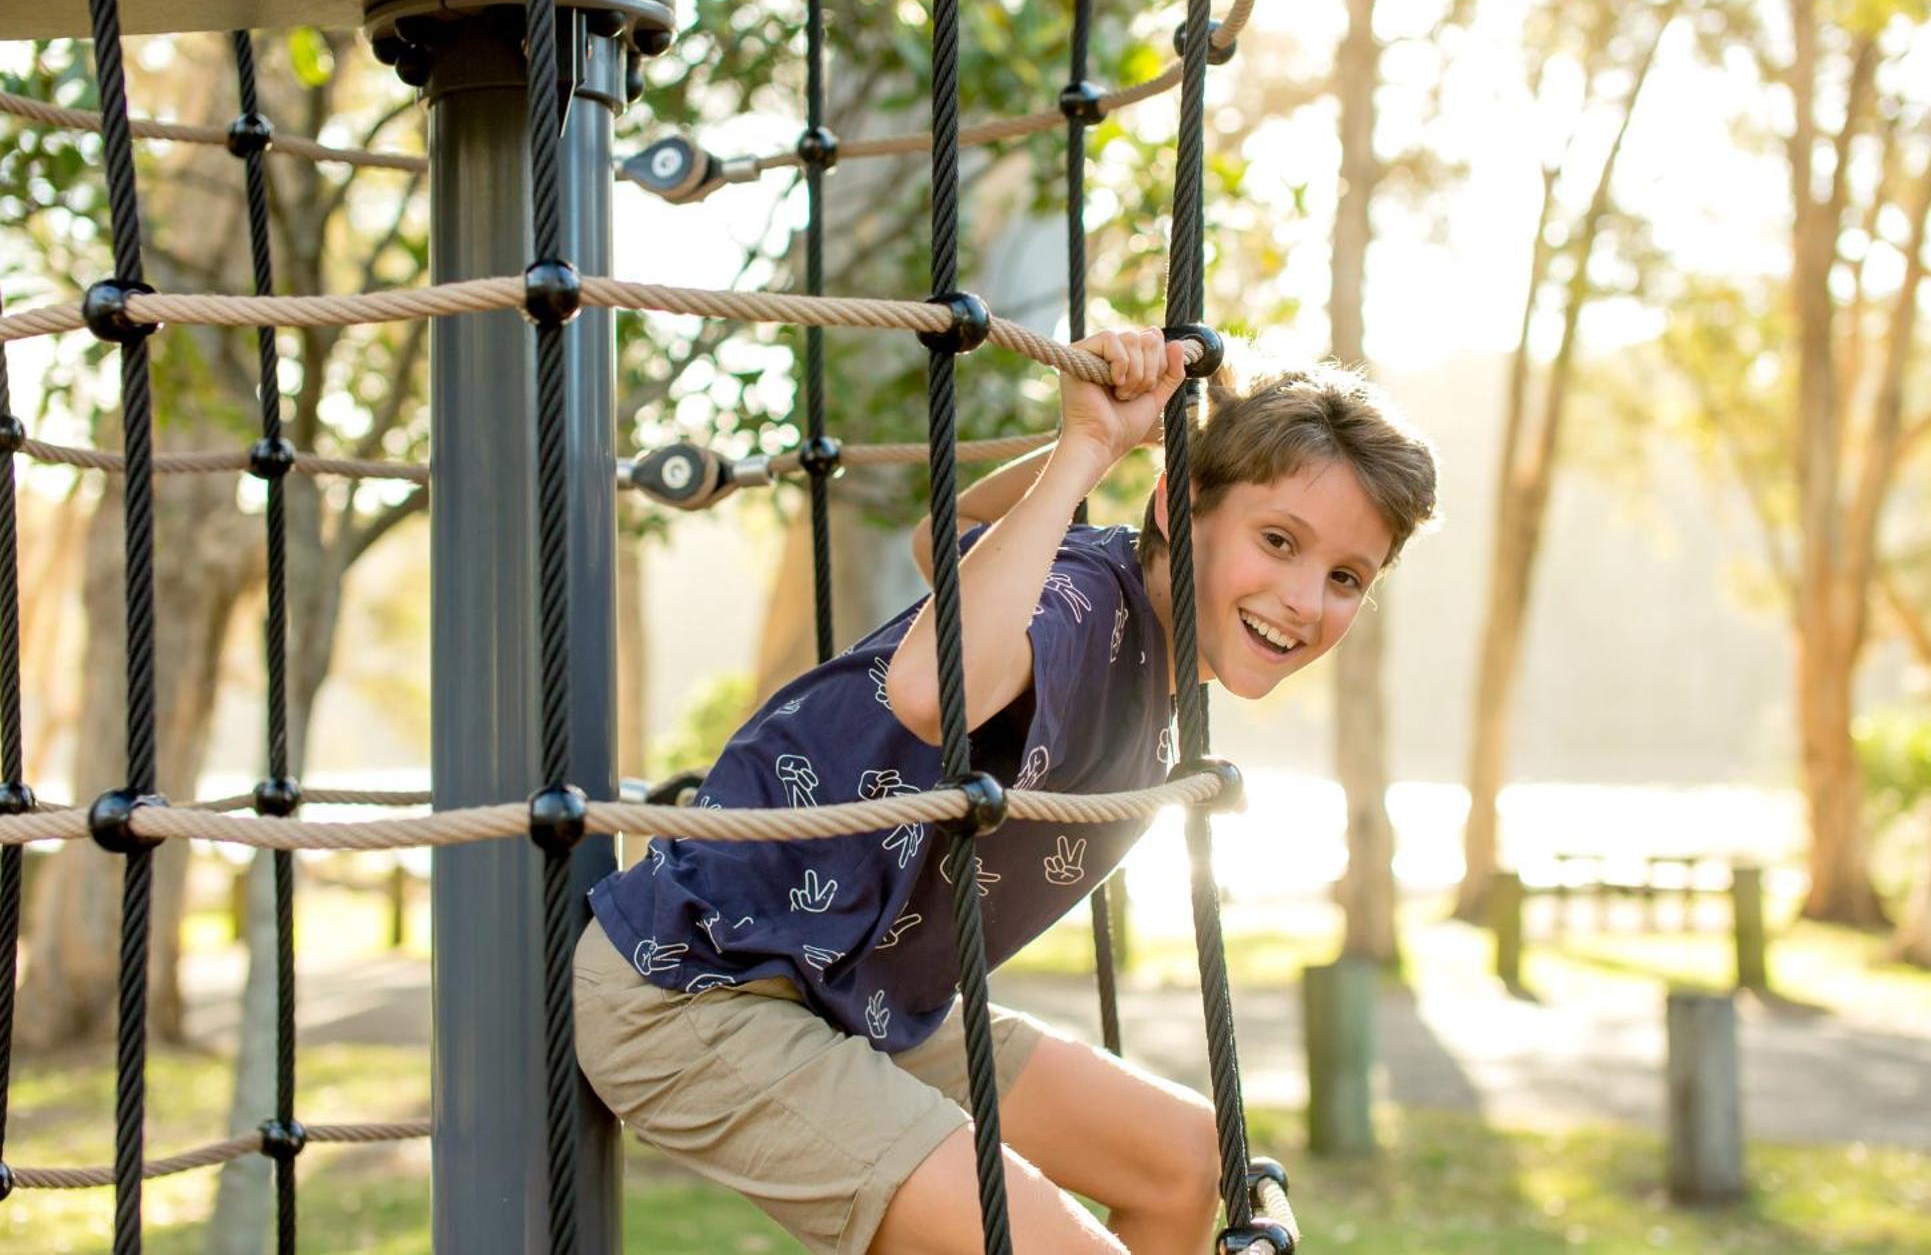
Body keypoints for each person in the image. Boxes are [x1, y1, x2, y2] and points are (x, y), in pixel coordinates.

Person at [575, 328, 1439, 1254]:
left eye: (1346, 577)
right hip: (699, 983)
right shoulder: (1082, 603)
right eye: (1278, 540)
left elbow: (937, 541)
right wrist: (1085, 449)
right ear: (1178, 509)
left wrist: (1136, 439)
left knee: (1190, 1158)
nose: (1306, 599)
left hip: (853, 989)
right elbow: (927, 690)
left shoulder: (1110, 590)